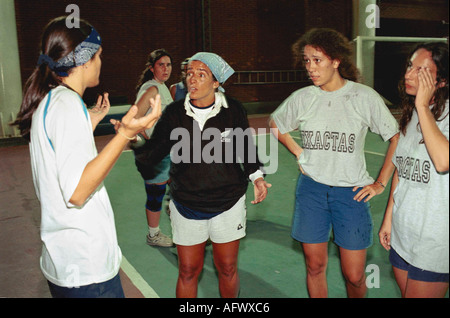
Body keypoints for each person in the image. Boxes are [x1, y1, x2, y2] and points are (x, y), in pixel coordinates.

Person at [11, 17, 161, 298]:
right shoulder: (67, 105)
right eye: (99, 56)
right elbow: (78, 192)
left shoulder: (53, 101)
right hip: (86, 272)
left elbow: (60, 155)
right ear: (84, 60)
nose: (101, 62)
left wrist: (87, 123)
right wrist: (125, 135)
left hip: (67, 264)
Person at [269, 28, 399, 298]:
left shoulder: (363, 97)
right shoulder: (304, 98)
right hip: (311, 190)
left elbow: (396, 138)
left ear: (336, 61)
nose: (310, 68)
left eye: (317, 60)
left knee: (354, 275)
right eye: (306, 61)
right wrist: (298, 151)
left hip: (351, 193)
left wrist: (380, 183)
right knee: (315, 265)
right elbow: (276, 124)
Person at [133, 52, 272, 297]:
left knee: (227, 268)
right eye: (189, 74)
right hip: (187, 203)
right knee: (188, 270)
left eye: (201, 74)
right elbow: (152, 155)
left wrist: (257, 176)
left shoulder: (233, 110)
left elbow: (245, 147)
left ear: (216, 82)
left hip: (228, 202)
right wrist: (130, 136)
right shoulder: (175, 113)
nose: (193, 80)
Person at [379, 42, 449, 298]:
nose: (408, 74)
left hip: (435, 240)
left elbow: (443, 161)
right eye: (410, 66)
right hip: (403, 233)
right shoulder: (410, 116)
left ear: (440, 81)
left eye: (420, 70)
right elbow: (401, 168)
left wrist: (422, 107)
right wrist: (388, 218)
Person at [132, 49, 174, 247]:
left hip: (169, 151)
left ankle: (173, 210)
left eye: (168, 65)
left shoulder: (162, 87)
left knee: (177, 184)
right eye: (161, 65)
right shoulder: (152, 89)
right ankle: (153, 235)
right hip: (157, 153)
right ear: (151, 68)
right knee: (155, 194)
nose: (166, 69)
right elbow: (135, 118)